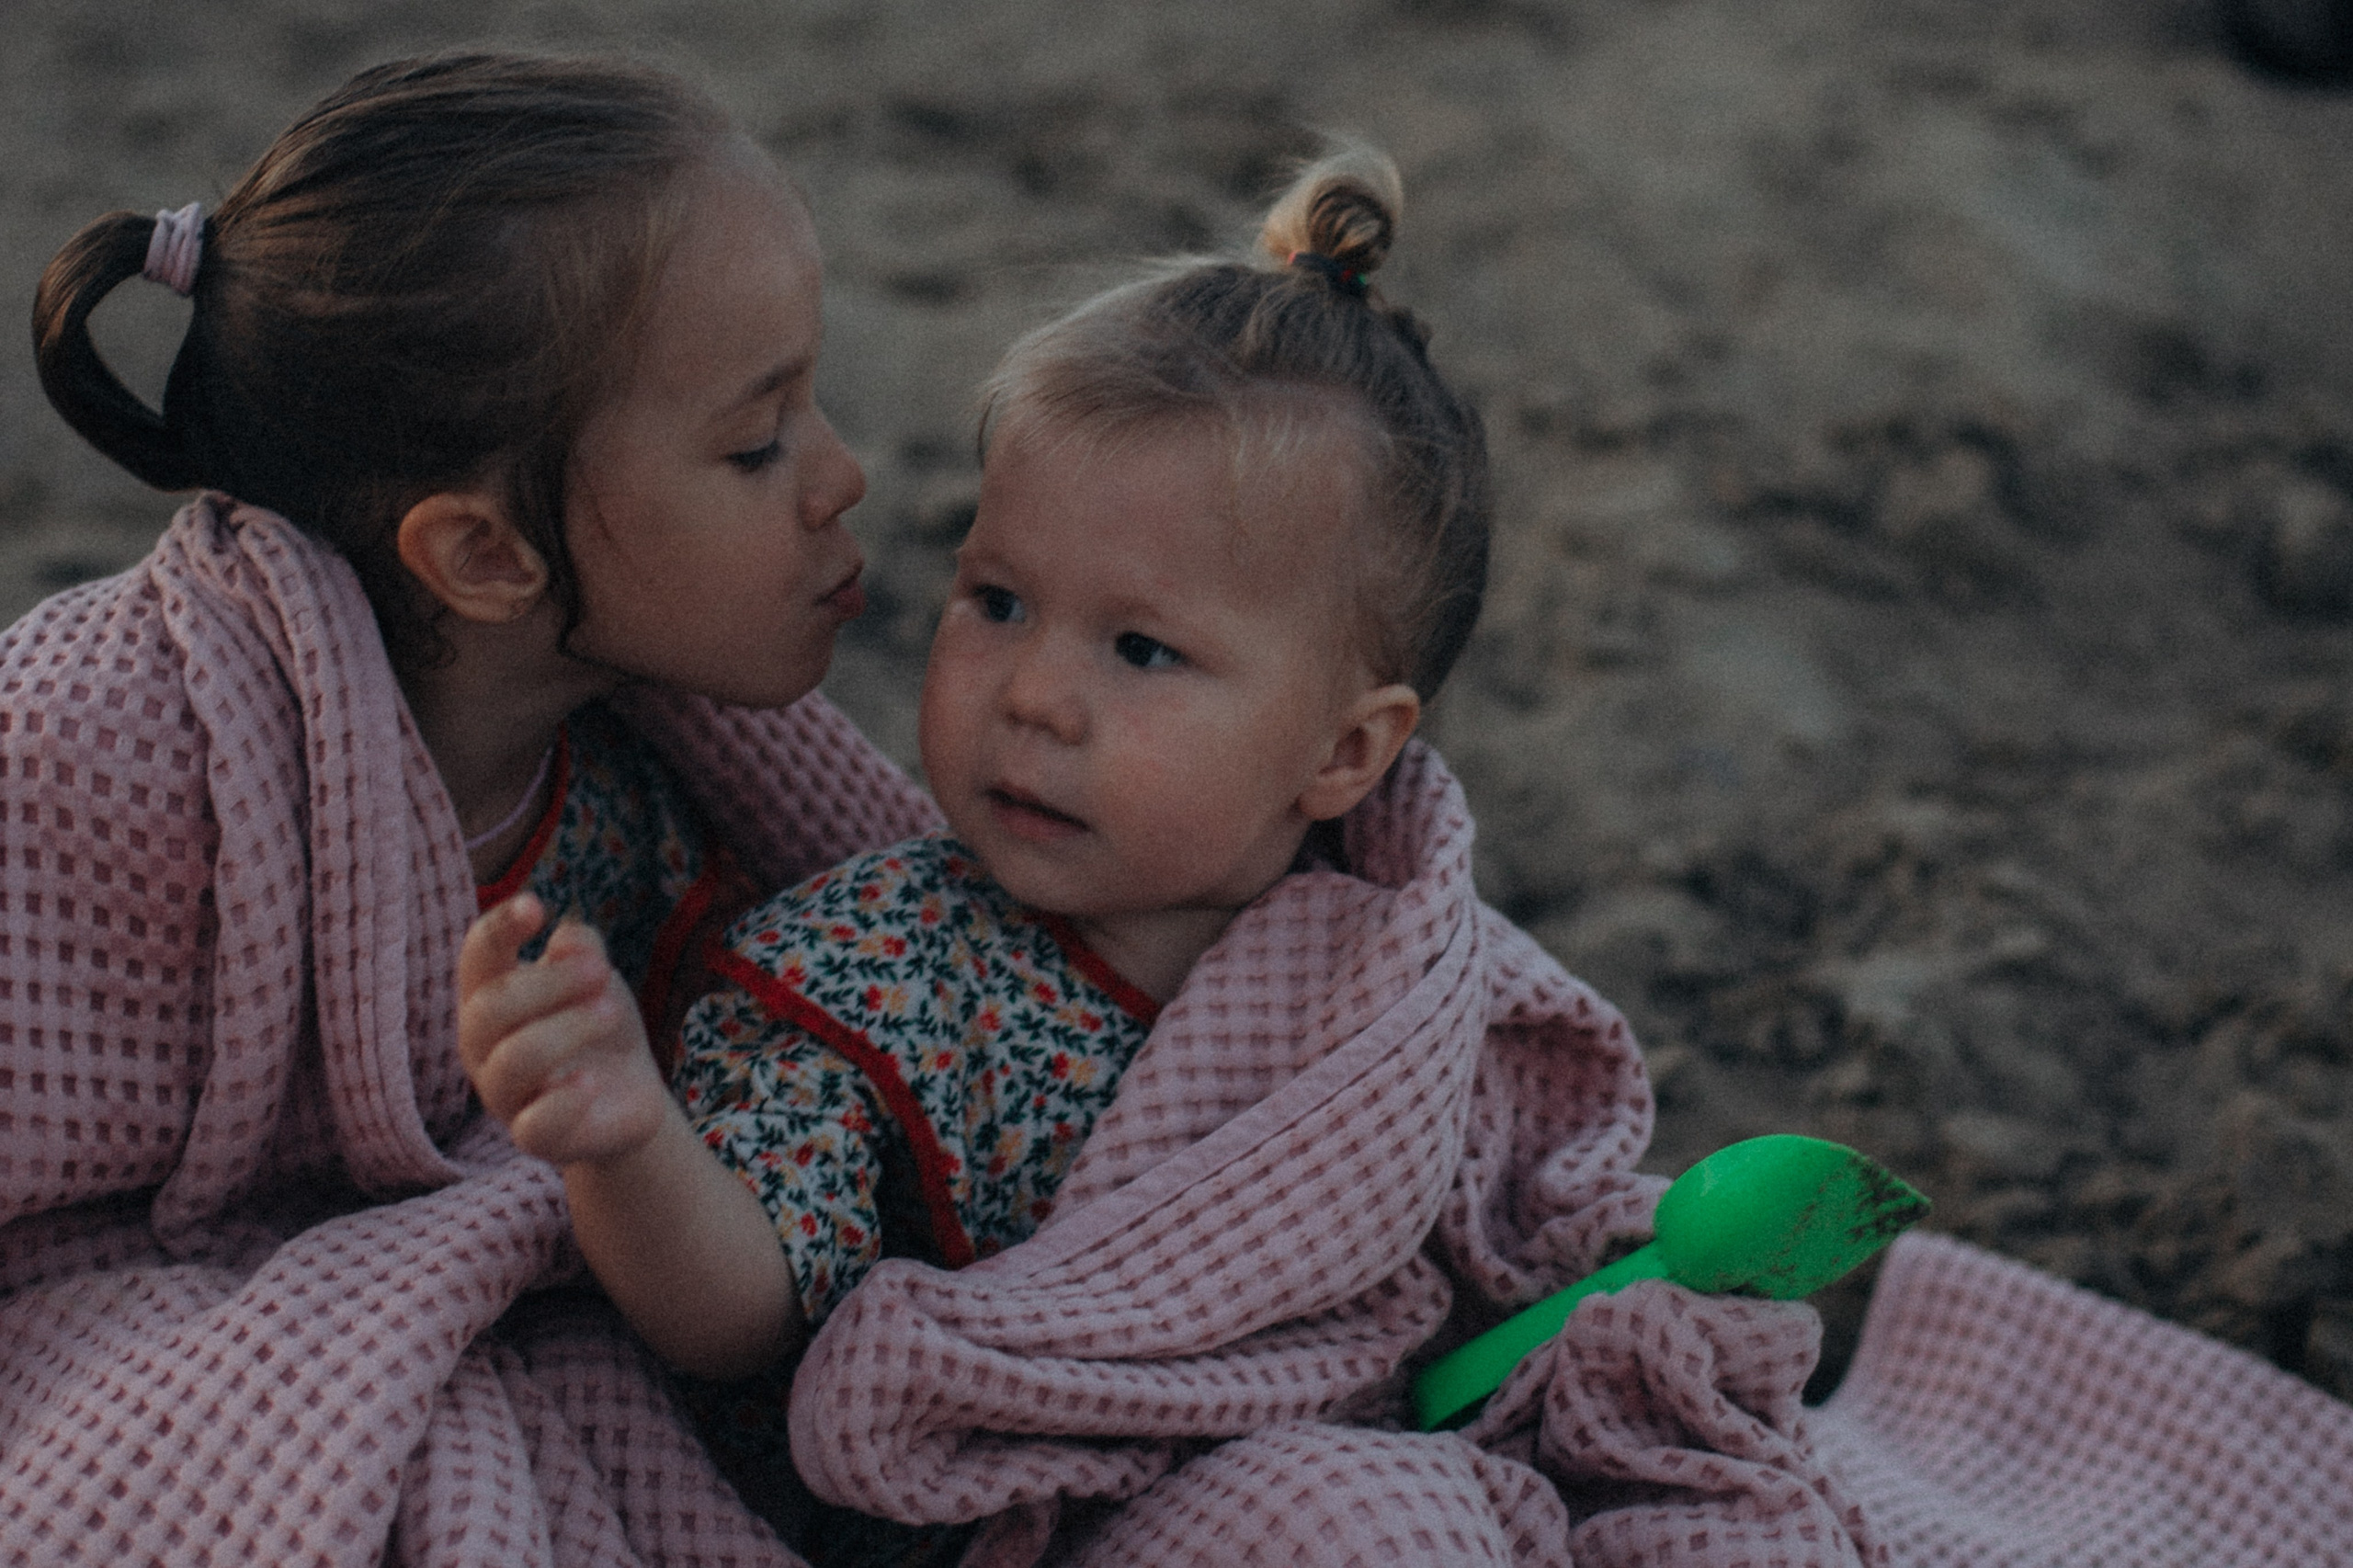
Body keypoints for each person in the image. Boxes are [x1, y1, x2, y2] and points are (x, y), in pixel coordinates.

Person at [456, 150, 1886, 1568]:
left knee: (1383, 1516)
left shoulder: (1389, 967)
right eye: (998, 598)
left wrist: (1638, 1299)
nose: (1034, 694)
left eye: (1140, 648)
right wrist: (627, 1141)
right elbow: (742, 1311)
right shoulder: (870, 966)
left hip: (1266, 1465)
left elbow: (1529, 1218)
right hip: (960, 1504)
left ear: (1342, 753)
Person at [4, 51, 934, 1567]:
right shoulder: (107, 744)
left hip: (530, 1307)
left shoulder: (661, 773)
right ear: (488, 557)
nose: (843, 477)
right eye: (758, 442)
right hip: (107, 1315)